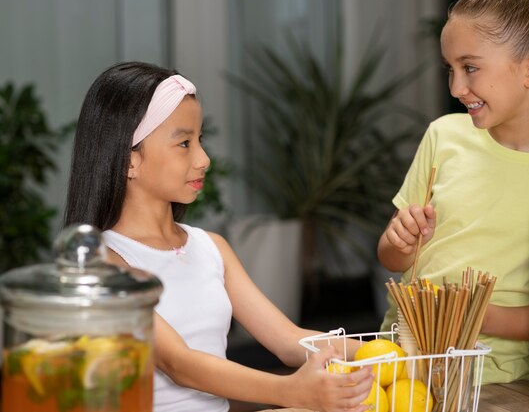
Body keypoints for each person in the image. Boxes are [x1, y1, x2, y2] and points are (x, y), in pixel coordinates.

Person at [64, 61, 373, 412]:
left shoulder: (211, 248)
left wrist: (392, 354)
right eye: (184, 143)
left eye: (200, 140)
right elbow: (178, 364)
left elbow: (289, 341)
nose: (204, 159)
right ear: (128, 162)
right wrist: (290, 392)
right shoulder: (102, 263)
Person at [378, 0, 529, 385]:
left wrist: (473, 316)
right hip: (399, 368)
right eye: (450, 69)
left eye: (470, 67)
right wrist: (398, 242)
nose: (456, 86)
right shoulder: (444, 136)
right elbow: (391, 259)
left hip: (495, 383)